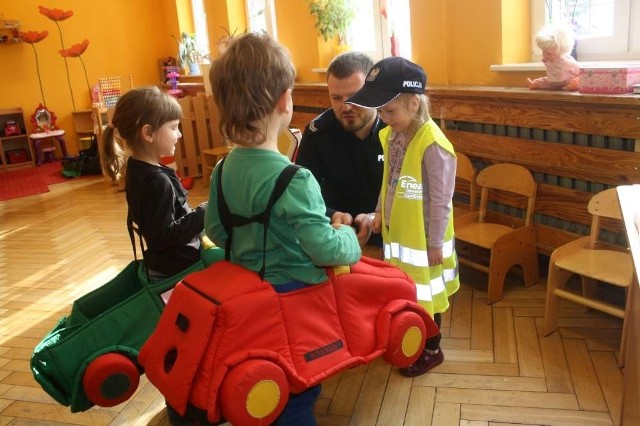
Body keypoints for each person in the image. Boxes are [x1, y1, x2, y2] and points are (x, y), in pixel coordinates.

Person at [204, 33, 361, 425]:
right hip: (295, 305)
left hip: (247, 298)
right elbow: (324, 250)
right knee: (297, 393)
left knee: (264, 383)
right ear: (284, 100)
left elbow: (217, 232)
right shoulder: (294, 178)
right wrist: (348, 239)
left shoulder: (222, 170)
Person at [99, 86, 209, 425]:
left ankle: (182, 401)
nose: (178, 133)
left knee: (179, 340)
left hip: (165, 268)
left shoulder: (138, 170)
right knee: (187, 342)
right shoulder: (158, 181)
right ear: (148, 133)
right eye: (173, 127)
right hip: (177, 273)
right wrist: (203, 212)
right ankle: (186, 407)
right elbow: (164, 236)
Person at [346, 56, 460, 377]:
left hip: (426, 243)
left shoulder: (433, 144)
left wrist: (436, 242)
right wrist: (379, 213)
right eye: (380, 111)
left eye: (389, 111)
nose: (383, 119)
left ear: (413, 103)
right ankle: (411, 341)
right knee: (406, 295)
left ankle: (432, 349)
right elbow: (389, 182)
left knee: (428, 299)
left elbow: (441, 201)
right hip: (400, 238)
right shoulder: (392, 136)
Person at [296, 51, 385, 257]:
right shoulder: (317, 133)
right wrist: (332, 215)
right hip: (333, 235)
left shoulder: (395, 130)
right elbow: (303, 194)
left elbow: (410, 193)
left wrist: (376, 217)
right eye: (336, 98)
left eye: (355, 97)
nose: (345, 106)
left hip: (388, 231)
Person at [527, 23, 580, 91]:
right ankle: (533, 84)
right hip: (551, 82)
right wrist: (546, 62)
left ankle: (571, 87)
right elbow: (549, 66)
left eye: (549, 54)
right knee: (542, 80)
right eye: (543, 52)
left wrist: (577, 79)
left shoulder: (568, 62)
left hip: (566, 82)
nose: (544, 55)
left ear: (561, 51)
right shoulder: (548, 60)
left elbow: (579, 72)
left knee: (575, 81)